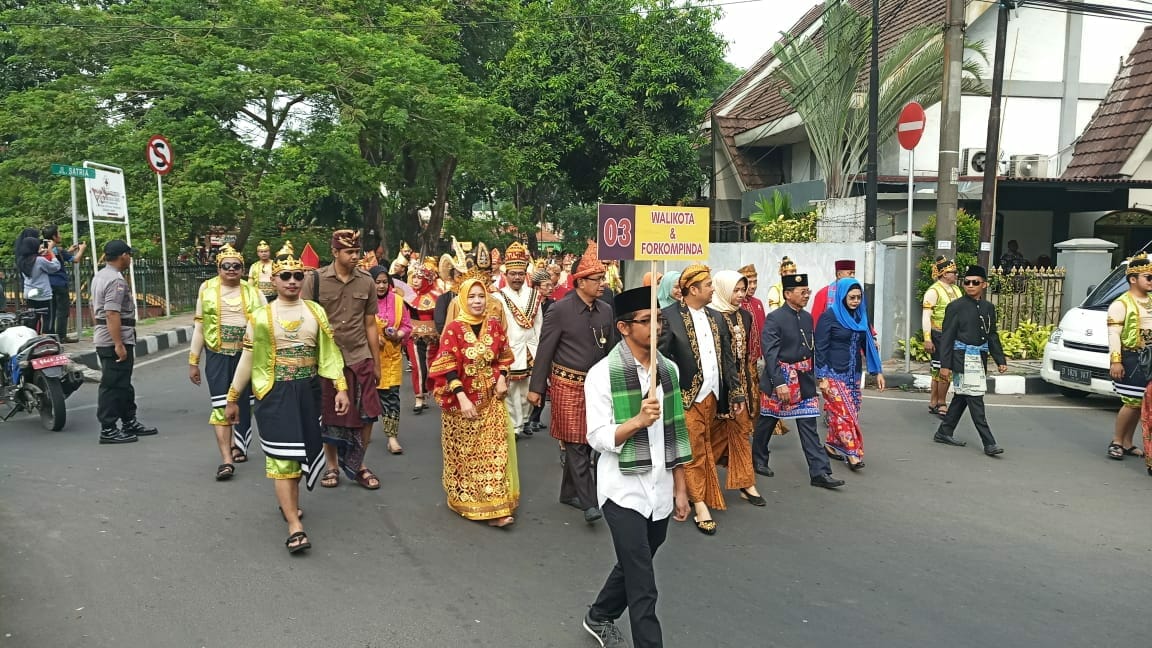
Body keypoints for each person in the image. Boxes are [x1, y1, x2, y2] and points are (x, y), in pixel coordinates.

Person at [582, 286, 691, 648]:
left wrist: (680, 489)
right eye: (647, 321)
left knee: (635, 562)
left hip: (660, 490)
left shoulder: (669, 371)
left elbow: (676, 433)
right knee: (643, 583)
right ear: (624, 327)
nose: (657, 326)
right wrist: (636, 423)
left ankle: (598, 615)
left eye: (659, 318)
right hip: (622, 491)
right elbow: (597, 437)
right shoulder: (601, 375)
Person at [225, 250, 350, 554]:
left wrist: (341, 386)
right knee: (282, 457)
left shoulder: (315, 312)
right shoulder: (261, 316)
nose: (292, 281)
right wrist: (232, 397)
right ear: (274, 279)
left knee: (300, 454)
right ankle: (295, 525)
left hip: (308, 390)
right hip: (274, 392)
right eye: (286, 276)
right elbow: (247, 358)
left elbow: (329, 352)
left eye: (298, 276)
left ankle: (290, 506)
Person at [529, 241, 616, 524]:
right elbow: (545, 350)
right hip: (567, 385)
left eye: (603, 278)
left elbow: (612, 349)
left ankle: (569, 492)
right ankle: (590, 503)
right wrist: (536, 389)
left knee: (590, 442)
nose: (602, 283)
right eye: (597, 279)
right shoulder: (560, 309)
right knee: (576, 444)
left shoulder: (605, 310)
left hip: (598, 387)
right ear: (580, 282)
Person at [658, 265, 746, 535]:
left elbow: (728, 359)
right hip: (685, 397)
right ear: (693, 290)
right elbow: (658, 358)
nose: (712, 289)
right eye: (708, 285)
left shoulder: (716, 317)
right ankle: (699, 505)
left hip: (713, 395)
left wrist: (736, 392)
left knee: (705, 444)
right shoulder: (669, 317)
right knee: (694, 448)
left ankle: (687, 490)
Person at [429, 277, 519, 528]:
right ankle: (467, 501)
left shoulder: (493, 325)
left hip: (492, 401)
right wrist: (461, 397)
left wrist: (502, 377)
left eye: (481, 296)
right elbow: (446, 366)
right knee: (466, 456)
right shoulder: (454, 329)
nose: (478, 301)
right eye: (472, 297)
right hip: (461, 405)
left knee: (495, 451)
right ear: (462, 300)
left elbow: (503, 356)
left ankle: (496, 507)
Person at [301, 231, 384, 490]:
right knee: (330, 415)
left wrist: (377, 362)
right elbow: (305, 323)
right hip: (328, 361)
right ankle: (333, 465)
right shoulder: (314, 281)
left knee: (368, 413)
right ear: (335, 252)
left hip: (360, 356)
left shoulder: (366, 281)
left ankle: (359, 463)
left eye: (357, 252)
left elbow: (370, 324)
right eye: (349, 252)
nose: (355, 257)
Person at [753, 273, 844, 488]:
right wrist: (780, 382)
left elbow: (811, 349)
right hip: (781, 378)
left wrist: (819, 377)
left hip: (803, 378)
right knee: (767, 422)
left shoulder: (807, 317)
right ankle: (758, 459)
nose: (807, 295)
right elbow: (770, 353)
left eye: (807, 291)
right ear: (787, 294)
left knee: (809, 424)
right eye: (802, 292)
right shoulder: (775, 318)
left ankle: (819, 472)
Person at [188, 244, 265, 479]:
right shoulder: (207, 289)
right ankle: (226, 460)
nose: (231, 270)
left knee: (244, 402)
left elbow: (265, 327)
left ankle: (239, 444)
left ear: (243, 268)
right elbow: (200, 326)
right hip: (218, 355)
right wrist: (194, 360)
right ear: (218, 267)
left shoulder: (254, 292)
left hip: (247, 355)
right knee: (221, 405)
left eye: (236, 266)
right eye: (226, 266)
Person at [933, 265, 1008, 456]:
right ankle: (989, 443)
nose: (970, 285)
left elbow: (992, 335)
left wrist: (1000, 359)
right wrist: (945, 365)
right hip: (961, 359)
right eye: (967, 282)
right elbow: (947, 337)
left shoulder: (988, 307)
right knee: (975, 399)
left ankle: (944, 431)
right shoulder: (955, 307)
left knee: (962, 397)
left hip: (979, 359)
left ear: (984, 284)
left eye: (975, 282)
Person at [707, 270, 765, 506]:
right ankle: (691, 482)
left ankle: (746, 483)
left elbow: (744, 357)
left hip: (738, 384)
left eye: (743, 289)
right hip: (714, 386)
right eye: (736, 290)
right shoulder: (709, 316)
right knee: (707, 437)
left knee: (741, 432)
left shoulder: (745, 316)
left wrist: (744, 385)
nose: (741, 294)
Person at [815, 277, 885, 470]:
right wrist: (821, 377)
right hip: (832, 373)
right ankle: (853, 454)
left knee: (849, 411)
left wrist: (877, 371)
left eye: (858, 297)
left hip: (853, 374)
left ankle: (831, 444)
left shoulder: (861, 316)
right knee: (845, 414)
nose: (855, 301)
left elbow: (868, 343)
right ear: (842, 296)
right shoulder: (830, 316)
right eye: (851, 297)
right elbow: (820, 348)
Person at [92, 241, 158, 444]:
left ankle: (129, 421)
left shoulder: (101, 276)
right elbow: (111, 312)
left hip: (109, 335)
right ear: (123, 256)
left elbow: (95, 308)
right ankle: (108, 428)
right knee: (112, 385)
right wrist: (118, 344)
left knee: (123, 384)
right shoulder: (115, 280)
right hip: (114, 338)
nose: (130, 258)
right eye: (129, 255)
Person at [1106, 254, 1152, 461]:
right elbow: (1114, 334)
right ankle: (1117, 441)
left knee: (1141, 402)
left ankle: (1128, 442)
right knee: (1131, 401)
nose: (1151, 281)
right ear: (1133, 279)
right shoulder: (1121, 303)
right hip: (1132, 358)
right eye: (1148, 277)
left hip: (1149, 357)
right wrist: (1116, 361)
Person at [496, 242, 543, 438]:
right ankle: (512, 425)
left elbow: (539, 323)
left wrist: (540, 348)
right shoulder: (497, 297)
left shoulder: (534, 295)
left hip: (531, 349)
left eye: (520, 274)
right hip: (510, 349)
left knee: (528, 387)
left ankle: (523, 421)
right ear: (505, 274)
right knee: (511, 389)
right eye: (513, 273)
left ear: (526, 275)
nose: (517, 277)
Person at [370, 265, 411, 455]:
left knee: (392, 398)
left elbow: (406, 326)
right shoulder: (363, 301)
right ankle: (362, 433)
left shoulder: (397, 301)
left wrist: (398, 334)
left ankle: (392, 437)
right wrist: (371, 337)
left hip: (391, 357)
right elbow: (355, 325)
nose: (381, 286)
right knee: (365, 399)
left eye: (384, 282)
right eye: (377, 282)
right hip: (369, 358)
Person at [922, 256, 962, 418]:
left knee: (940, 370)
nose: (956, 275)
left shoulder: (957, 290)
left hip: (954, 335)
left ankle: (934, 401)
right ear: (944, 274)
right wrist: (927, 338)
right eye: (953, 272)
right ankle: (941, 402)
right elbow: (926, 316)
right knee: (942, 370)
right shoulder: (933, 291)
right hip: (939, 334)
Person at [405, 259, 440, 414]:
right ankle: (419, 396)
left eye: (420, 278)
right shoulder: (408, 295)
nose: (416, 280)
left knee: (430, 365)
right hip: (413, 336)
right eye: (414, 277)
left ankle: (428, 391)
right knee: (417, 365)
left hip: (433, 337)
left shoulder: (437, 296)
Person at [43, 225, 85, 342]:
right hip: (60, 284)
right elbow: (75, 260)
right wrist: (81, 249)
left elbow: (60, 256)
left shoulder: (43, 249)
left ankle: (50, 337)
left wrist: (69, 250)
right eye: (59, 233)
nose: (60, 236)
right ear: (54, 236)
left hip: (47, 284)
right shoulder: (57, 250)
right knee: (62, 311)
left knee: (51, 311)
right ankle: (61, 336)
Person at [528, 267, 556, 434]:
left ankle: (536, 418)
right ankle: (528, 418)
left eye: (551, 285)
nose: (550, 288)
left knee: (545, 383)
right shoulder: (530, 304)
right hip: (531, 346)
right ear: (537, 287)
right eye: (546, 285)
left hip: (548, 345)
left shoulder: (553, 305)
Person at [18, 234, 59, 334]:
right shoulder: (39, 260)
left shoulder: (21, 260)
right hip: (42, 293)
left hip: (29, 293)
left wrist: (40, 253)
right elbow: (55, 267)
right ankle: (47, 338)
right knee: (48, 318)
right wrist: (51, 252)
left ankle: (31, 338)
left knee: (32, 318)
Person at [810, 259, 855, 325]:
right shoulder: (823, 293)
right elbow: (815, 320)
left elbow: (862, 316)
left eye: (854, 273)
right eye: (850, 273)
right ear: (839, 274)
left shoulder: (856, 293)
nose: (853, 276)